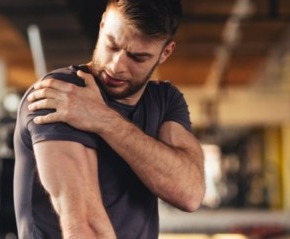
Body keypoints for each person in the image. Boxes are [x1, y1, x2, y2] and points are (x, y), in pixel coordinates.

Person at [13, 0, 205, 238]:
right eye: (112, 46)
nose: (117, 66)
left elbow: (190, 193)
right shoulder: (62, 94)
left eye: (137, 57)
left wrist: (104, 120)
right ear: (103, 25)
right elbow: (83, 226)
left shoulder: (164, 100)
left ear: (165, 52)